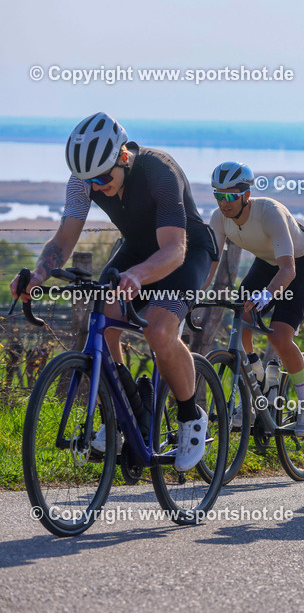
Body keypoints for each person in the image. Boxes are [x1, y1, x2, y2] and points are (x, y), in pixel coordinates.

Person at [10, 112, 218, 471]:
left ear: (123, 156)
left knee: (157, 328)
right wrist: (40, 273)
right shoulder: (83, 181)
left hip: (185, 253)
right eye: (90, 180)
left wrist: (137, 276)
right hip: (137, 248)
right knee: (102, 322)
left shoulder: (159, 171)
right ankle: (126, 413)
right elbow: (63, 239)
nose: (97, 186)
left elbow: (173, 250)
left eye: (104, 177)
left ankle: (190, 416)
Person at [204, 162, 304, 435]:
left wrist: (267, 295)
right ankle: (258, 383)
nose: (224, 203)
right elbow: (211, 263)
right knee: (241, 319)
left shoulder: (270, 212)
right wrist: (196, 293)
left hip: (299, 266)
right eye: (218, 196)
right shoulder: (218, 218)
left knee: (278, 336)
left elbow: (289, 270)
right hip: (266, 264)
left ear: (246, 194)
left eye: (231, 195)